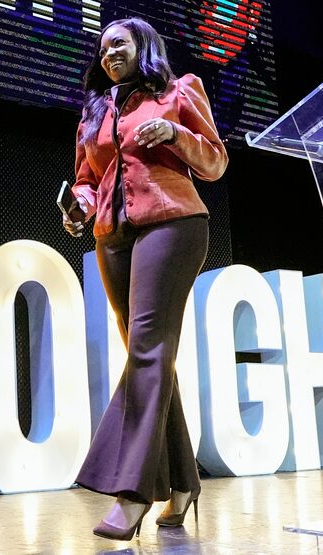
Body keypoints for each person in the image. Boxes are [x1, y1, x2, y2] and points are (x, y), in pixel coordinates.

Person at [61, 18, 228, 540]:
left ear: (144, 48)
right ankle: (182, 485)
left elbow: (216, 161)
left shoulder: (182, 91)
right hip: (113, 237)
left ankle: (131, 494)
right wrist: (78, 206)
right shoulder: (96, 110)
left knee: (148, 352)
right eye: (102, 47)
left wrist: (177, 134)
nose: (109, 52)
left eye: (119, 44)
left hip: (172, 225)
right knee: (151, 358)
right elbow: (90, 180)